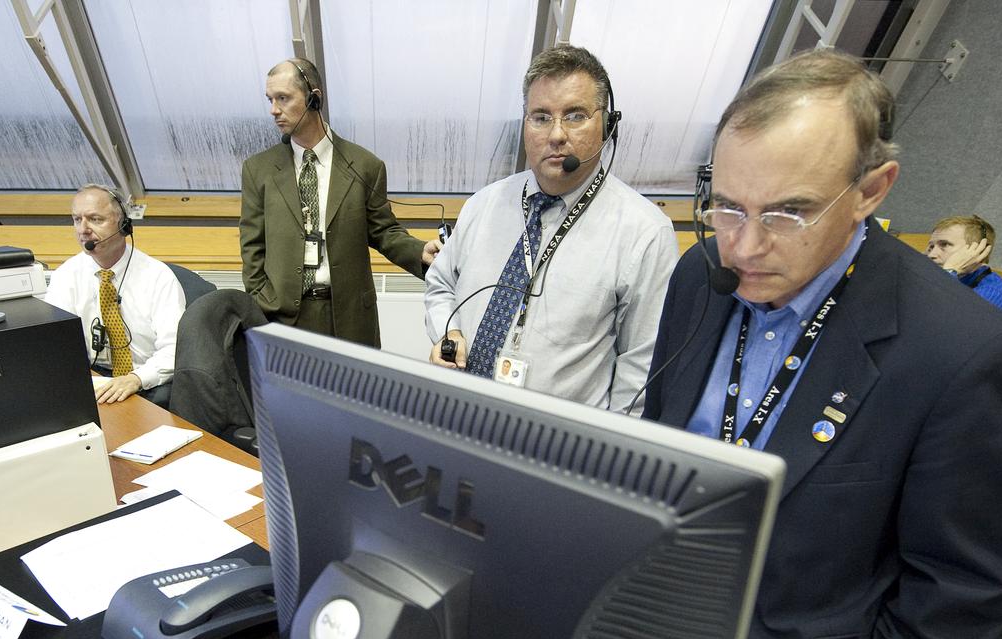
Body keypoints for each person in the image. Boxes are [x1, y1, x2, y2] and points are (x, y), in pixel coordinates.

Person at [642, 50, 1002, 639]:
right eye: (727, 205)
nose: (745, 244)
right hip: (648, 620)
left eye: (788, 211)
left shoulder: (962, 352)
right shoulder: (700, 277)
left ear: (871, 190)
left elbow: (968, 584)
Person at [424, 45, 676, 412]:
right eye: (541, 117)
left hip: (554, 448)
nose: (556, 134)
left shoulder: (645, 233)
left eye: (575, 116)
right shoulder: (484, 203)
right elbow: (441, 284)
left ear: (607, 124)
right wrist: (450, 331)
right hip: (460, 416)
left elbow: (639, 373)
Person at [240, 57, 440, 347]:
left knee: (351, 393)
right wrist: (261, 300)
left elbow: (383, 231)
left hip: (348, 317)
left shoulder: (364, 165)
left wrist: (420, 251)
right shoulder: (258, 169)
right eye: (270, 99)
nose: (274, 110)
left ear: (314, 98)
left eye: (283, 98)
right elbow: (252, 245)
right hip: (281, 317)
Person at [45, 185, 184, 406]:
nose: (83, 229)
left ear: (123, 225)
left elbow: (176, 348)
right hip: (95, 379)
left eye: (95, 219)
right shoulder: (66, 275)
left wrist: (136, 379)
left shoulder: (158, 277)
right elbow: (54, 343)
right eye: (76, 219)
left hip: (148, 380)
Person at [926, 214, 1002, 321]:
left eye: (944, 244)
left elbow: (939, 321)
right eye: (931, 247)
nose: (932, 254)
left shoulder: (994, 293)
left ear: (977, 251)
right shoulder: (953, 278)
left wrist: (950, 270)